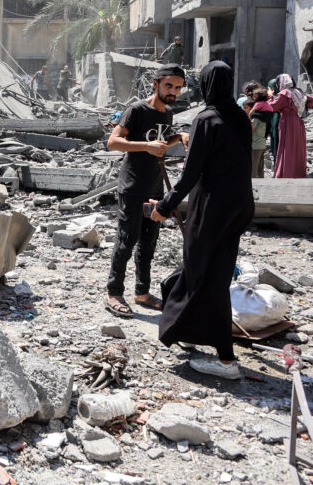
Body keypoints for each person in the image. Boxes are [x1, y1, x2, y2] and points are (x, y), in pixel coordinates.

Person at [149, 60, 254, 380]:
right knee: (209, 269)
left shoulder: (206, 119)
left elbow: (191, 173)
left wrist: (165, 206)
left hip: (212, 207)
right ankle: (187, 328)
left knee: (205, 274)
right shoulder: (240, 116)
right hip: (239, 205)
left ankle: (225, 359)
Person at [104, 64, 189, 318]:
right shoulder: (137, 110)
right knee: (127, 240)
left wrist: (179, 136)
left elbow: (160, 143)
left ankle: (142, 292)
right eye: (169, 86)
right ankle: (113, 293)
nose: (173, 91)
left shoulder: (168, 113)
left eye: (178, 88)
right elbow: (113, 142)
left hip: (154, 186)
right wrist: (146, 146)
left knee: (148, 243)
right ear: (156, 84)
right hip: (132, 187)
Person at [270, 73, 313, 179]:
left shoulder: (284, 93)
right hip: (298, 121)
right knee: (297, 147)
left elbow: (273, 107)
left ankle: (286, 173)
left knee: (287, 146)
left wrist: (270, 97)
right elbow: (312, 100)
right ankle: (298, 173)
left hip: (287, 122)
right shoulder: (299, 91)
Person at [247, 88, 274, 178]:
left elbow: (251, 130)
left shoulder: (256, 118)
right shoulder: (266, 110)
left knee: (253, 169)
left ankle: (254, 185)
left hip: (255, 145)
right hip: (262, 144)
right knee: (260, 168)